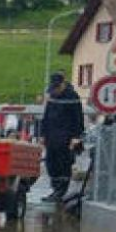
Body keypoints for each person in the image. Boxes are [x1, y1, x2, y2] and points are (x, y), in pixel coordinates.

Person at [39, 72, 86, 202]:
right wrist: (42, 134)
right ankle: (55, 189)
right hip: (51, 136)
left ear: (63, 84)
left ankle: (61, 190)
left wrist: (76, 137)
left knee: (63, 164)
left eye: (57, 87)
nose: (55, 90)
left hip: (66, 137)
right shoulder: (52, 96)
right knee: (51, 163)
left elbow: (78, 118)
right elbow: (46, 116)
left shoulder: (72, 96)